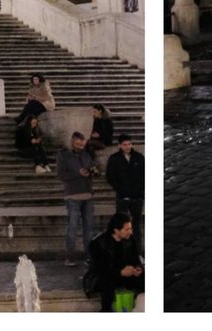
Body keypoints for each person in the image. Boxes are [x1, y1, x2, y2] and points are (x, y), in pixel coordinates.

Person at [86, 211, 144, 313]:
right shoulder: (98, 244)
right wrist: (120, 272)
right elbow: (100, 269)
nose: (130, 232)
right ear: (116, 230)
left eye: (130, 228)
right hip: (103, 276)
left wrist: (138, 268)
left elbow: (136, 259)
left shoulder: (130, 239)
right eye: (127, 229)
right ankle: (106, 310)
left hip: (125, 274)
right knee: (108, 282)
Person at [57, 132, 98, 266]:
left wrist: (94, 171)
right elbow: (61, 175)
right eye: (78, 144)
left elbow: (95, 168)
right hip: (72, 196)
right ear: (72, 142)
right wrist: (77, 174)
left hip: (88, 195)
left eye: (82, 144)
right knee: (72, 227)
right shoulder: (64, 155)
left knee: (89, 228)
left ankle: (89, 256)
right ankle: (69, 257)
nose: (80, 146)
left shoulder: (86, 155)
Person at [104, 135, 145, 245]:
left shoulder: (139, 157)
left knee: (136, 226)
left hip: (137, 197)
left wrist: (141, 192)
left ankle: (137, 253)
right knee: (121, 226)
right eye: (125, 145)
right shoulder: (114, 159)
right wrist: (119, 189)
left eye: (129, 144)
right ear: (120, 145)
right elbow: (110, 176)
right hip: (122, 197)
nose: (127, 147)